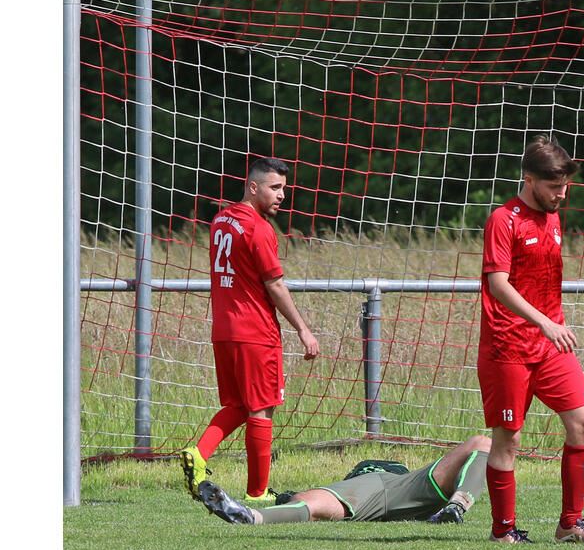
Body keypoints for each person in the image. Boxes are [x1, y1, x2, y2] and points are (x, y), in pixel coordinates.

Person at [477, 134, 584, 545]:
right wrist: (545, 323)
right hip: (508, 347)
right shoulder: (503, 220)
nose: (562, 194)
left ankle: (571, 524)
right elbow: (498, 284)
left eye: (565, 186)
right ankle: (503, 531)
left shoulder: (553, 217)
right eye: (554, 187)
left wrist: (551, 327)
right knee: (508, 439)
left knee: (583, 423)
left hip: (549, 346)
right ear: (529, 179)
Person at [179, 157, 321, 505]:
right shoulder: (259, 229)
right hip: (255, 331)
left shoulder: (221, 220)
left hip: (224, 329)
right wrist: (303, 330)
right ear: (253, 187)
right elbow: (275, 285)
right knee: (262, 408)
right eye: (275, 187)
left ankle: (199, 453)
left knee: (240, 404)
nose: (282, 195)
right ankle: (257, 493)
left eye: (284, 188)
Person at [197, 435, 491, 526]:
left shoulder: (376, 474)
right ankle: (457, 505)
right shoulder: (382, 470)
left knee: (314, 505)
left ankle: (253, 516)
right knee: (483, 442)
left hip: (379, 493)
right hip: (399, 490)